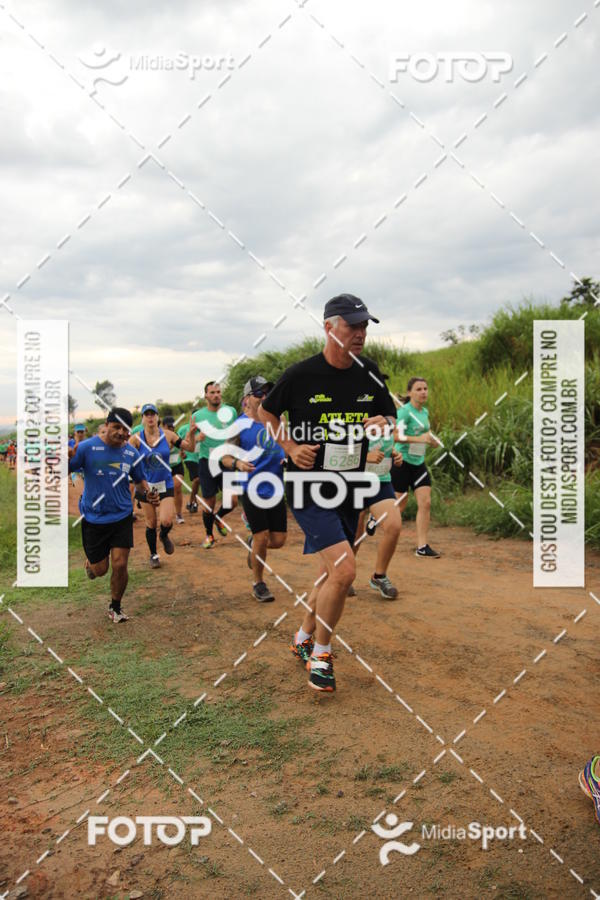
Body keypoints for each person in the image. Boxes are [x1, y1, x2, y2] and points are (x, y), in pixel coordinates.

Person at [260, 293, 396, 693]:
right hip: (309, 487)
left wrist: (384, 421)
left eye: (364, 325)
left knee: (330, 571)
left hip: (351, 485)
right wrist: (288, 447)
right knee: (345, 570)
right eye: (352, 325)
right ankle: (321, 654)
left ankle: (303, 636)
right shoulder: (301, 375)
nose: (360, 333)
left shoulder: (368, 372)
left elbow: (390, 413)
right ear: (328, 327)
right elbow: (266, 413)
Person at [68, 407, 159, 622]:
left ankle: (115, 607)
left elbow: (139, 484)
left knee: (120, 564)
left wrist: (148, 495)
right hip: (94, 518)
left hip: (121, 516)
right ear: (107, 425)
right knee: (100, 569)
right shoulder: (87, 448)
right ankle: (91, 564)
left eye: (125, 429)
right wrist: (66, 459)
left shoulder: (131, 453)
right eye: (116, 427)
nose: (120, 432)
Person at [221, 376, 287, 602]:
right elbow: (225, 457)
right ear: (247, 399)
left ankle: (253, 545)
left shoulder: (276, 420)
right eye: (259, 393)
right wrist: (237, 463)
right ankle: (258, 583)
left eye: (267, 393)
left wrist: (287, 459)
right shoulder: (239, 425)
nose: (264, 397)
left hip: (276, 487)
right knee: (262, 536)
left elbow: (286, 447)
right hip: (251, 488)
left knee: (278, 540)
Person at [129, 404, 196, 568]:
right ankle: (153, 554)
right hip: (145, 486)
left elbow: (190, 447)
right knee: (151, 523)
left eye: (153, 414)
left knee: (166, 520)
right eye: (147, 414)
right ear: (143, 418)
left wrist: (192, 434)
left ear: (157, 417)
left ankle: (164, 536)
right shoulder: (136, 439)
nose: (150, 417)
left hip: (165, 484)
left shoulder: (168, 435)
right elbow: (126, 457)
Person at [391, 377, 440, 558]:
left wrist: (431, 441)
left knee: (425, 503)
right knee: (399, 505)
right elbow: (394, 435)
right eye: (418, 389)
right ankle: (375, 517)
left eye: (425, 388)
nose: (423, 392)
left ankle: (422, 547)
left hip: (419, 463)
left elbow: (424, 432)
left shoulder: (424, 412)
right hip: (402, 463)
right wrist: (418, 439)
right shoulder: (404, 412)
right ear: (410, 392)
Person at [352, 430, 403, 599]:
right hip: (354, 481)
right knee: (354, 531)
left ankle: (379, 576)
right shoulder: (355, 412)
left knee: (394, 525)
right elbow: (338, 447)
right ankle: (342, 573)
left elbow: (387, 446)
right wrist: (364, 456)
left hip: (380, 481)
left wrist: (395, 455)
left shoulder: (388, 418)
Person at [191, 382, 238, 549]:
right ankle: (209, 535)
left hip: (225, 460)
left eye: (218, 392)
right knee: (208, 502)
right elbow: (191, 441)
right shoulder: (198, 416)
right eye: (212, 392)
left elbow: (235, 432)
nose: (216, 395)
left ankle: (218, 518)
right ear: (206, 396)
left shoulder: (230, 411)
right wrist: (198, 438)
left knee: (232, 500)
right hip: (207, 461)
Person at [163, 415, 185, 524]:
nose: (172, 428)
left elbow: (182, 448)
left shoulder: (176, 436)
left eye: (173, 426)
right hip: (163, 468)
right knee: (161, 491)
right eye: (169, 426)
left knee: (177, 487)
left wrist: (183, 453)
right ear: (163, 426)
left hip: (177, 466)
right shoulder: (160, 438)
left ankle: (179, 514)